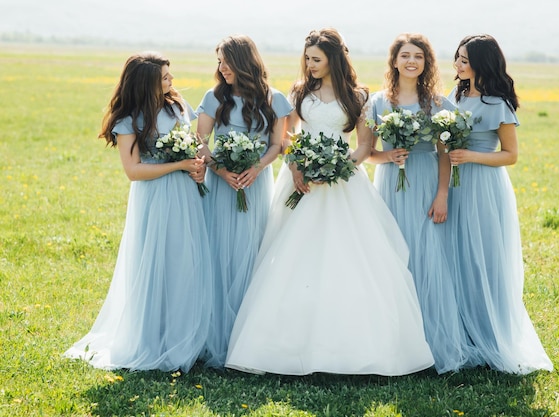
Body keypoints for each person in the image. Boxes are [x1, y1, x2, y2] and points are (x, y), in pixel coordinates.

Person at [225, 28, 434, 376]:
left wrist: (339, 168)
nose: (310, 65)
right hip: (300, 180)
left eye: (316, 60)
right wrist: (296, 169)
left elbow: (365, 146)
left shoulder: (358, 96)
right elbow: (287, 138)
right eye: (307, 59)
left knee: (347, 257)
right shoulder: (299, 91)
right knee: (293, 257)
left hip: (343, 184)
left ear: (334, 59)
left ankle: (349, 346)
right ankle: (284, 345)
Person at [64, 52, 212, 372]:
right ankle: (152, 339)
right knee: (157, 262)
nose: (171, 81)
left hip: (185, 195)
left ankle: (185, 336)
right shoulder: (128, 120)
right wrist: (179, 165)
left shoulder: (178, 107)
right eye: (164, 78)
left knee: (184, 262)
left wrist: (196, 168)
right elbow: (133, 170)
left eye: (170, 76)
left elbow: (194, 146)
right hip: (155, 198)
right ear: (146, 83)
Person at [446, 34, 553, 374]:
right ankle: (462, 331)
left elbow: (511, 155)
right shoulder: (455, 96)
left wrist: (471, 156)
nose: (459, 65)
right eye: (457, 59)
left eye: (465, 59)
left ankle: (492, 333)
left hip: (483, 186)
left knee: (485, 256)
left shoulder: (498, 104)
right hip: (454, 184)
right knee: (457, 254)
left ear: (482, 62)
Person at [368, 33, 467, 374]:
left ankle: (430, 342)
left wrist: (442, 195)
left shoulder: (439, 105)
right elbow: (367, 153)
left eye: (419, 57)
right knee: (392, 258)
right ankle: (394, 343)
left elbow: (446, 155)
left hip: (426, 182)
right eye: (405, 55)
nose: (412, 61)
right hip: (391, 185)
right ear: (394, 61)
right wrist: (388, 155)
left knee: (427, 257)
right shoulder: (378, 102)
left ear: (426, 63)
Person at [196, 35, 291, 368]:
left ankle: (247, 339)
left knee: (250, 253)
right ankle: (213, 335)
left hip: (255, 183)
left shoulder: (275, 99)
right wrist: (221, 170)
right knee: (218, 252)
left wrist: (256, 167)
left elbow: (277, 146)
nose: (221, 68)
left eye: (226, 61)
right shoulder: (214, 97)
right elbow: (200, 141)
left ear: (243, 61)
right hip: (221, 185)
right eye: (218, 62)